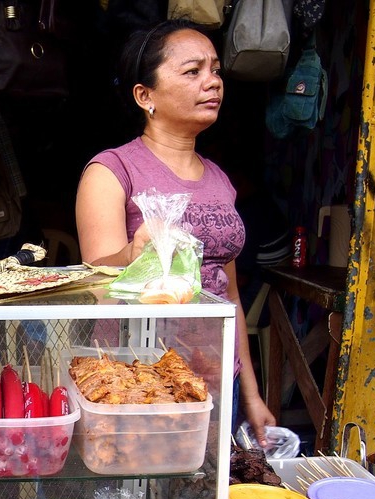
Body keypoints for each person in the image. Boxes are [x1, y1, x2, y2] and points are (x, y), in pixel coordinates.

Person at [74, 19, 275, 445]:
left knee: (197, 498)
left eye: (216, 70)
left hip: (217, 376)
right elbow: (94, 281)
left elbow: (229, 296)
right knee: (136, 489)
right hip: (139, 374)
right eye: (193, 71)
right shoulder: (113, 170)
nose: (213, 82)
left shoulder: (220, 180)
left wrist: (252, 394)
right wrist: (132, 254)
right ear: (145, 96)